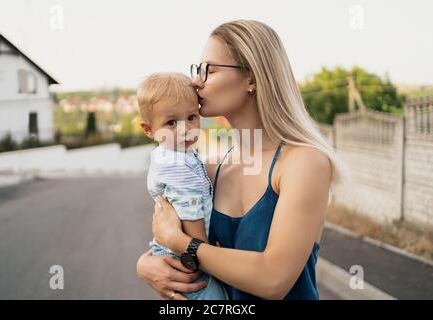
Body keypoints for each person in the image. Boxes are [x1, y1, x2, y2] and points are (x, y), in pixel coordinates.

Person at [137, 20, 349, 300]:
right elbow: (164, 240)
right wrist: (145, 265)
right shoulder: (208, 168)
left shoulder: (304, 162)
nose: (195, 81)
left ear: (252, 78)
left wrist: (185, 245)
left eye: (208, 70)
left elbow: (274, 279)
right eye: (197, 69)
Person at [137, 72, 228, 300]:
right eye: (171, 122)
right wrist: (207, 255)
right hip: (186, 260)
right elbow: (190, 215)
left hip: (182, 251)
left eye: (191, 117)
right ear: (149, 130)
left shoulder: (180, 153)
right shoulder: (174, 164)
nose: (185, 129)